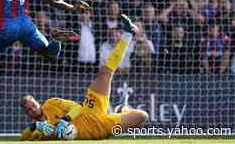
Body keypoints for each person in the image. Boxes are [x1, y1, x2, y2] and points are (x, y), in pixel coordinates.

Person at [20, 14, 148, 140]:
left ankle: (128, 34)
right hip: (101, 128)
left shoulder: (51, 103)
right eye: (28, 109)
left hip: (90, 109)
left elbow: (77, 107)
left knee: (105, 72)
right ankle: (122, 109)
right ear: (27, 114)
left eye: (32, 104)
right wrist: (34, 126)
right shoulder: (39, 132)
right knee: (142, 116)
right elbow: (22, 139)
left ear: (37, 102)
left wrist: (65, 119)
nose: (32, 108)